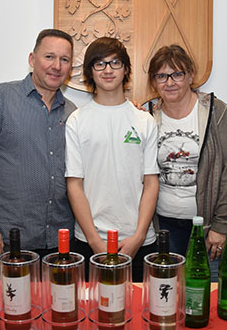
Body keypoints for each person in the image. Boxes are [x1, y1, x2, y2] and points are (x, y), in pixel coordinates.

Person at [0, 29, 76, 279]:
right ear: (32, 59)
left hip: (61, 245)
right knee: (11, 315)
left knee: (59, 315)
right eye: (49, 57)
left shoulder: (73, 113)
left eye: (64, 59)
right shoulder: (0, 98)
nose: (56, 66)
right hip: (10, 242)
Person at [65, 37, 160, 282]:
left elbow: (151, 183)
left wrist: (138, 237)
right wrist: (95, 241)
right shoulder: (77, 120)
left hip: (138, 241)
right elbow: (74, 184)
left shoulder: (144, 121)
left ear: (126, 69)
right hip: (89, 240)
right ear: (90, 72)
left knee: (138, 312)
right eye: (99, 64)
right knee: (93, 313)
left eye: (115, 63)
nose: (108, 70)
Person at [147, 45, 227, 281]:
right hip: (162, 228)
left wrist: (221, 227)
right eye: (161, 76)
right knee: (167, 295)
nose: (170, 82)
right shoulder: (146, 114)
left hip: (208, 229)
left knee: (206, 297)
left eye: (177, 74)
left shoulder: (216, 111)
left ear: (191, 75)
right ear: (154, 81)